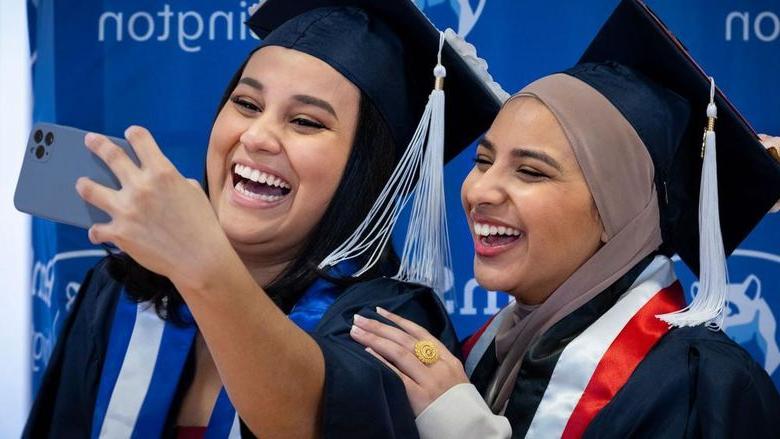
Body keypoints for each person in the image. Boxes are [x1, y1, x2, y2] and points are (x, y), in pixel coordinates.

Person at [23, 1, 503, 437]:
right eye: (247, 104)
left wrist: (201, 263)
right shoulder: (122, 291)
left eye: (306, 122)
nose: (257, 136)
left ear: (368, 170)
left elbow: (313, 418)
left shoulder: (390, 323)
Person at [350, 0, 780, 437]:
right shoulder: (481, 357)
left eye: (531, 171)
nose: (479, 190)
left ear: (621, 211)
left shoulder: (702, 391)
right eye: (483, 160)